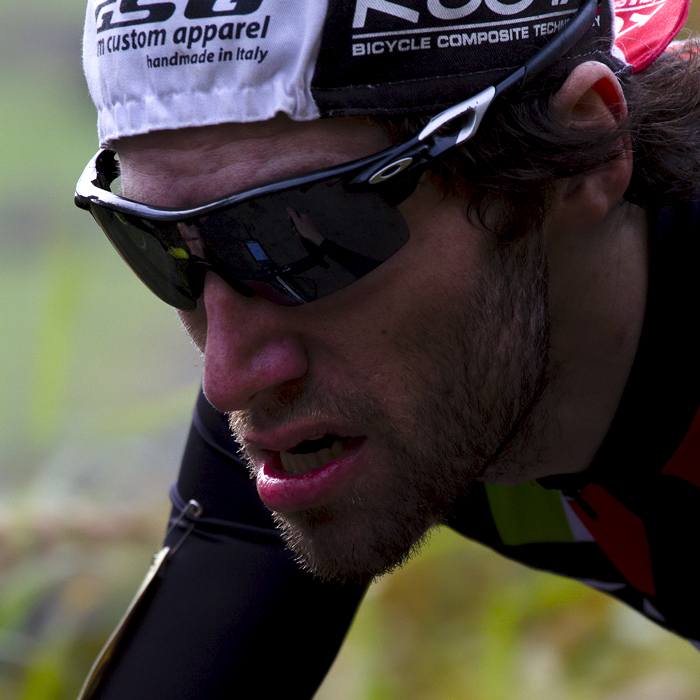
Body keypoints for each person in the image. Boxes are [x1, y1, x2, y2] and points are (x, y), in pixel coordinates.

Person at [74, 0, 700, 696]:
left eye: (309, 240)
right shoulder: (345, 384)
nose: (229, 378)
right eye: (160, 247)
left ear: (581, 150)